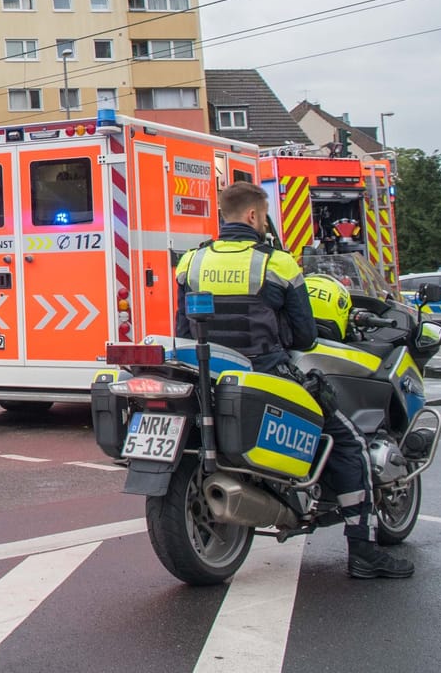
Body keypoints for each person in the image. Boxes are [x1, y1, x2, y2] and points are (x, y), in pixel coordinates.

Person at [175, 182, 412, 580]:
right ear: (254, 216)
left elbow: (182, 327)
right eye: (264, 215)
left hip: (208, 370)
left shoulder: (191, 262)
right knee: (348, 441)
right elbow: (304, 336)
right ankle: (364, 550)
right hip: (263, 370)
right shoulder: (278, 263)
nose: (265, 222)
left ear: (223, 214)